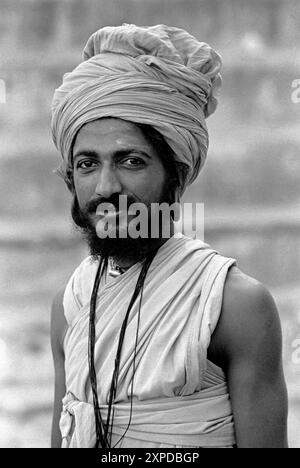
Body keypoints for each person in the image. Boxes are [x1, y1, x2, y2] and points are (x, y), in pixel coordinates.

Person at [50, 24, 288, 448]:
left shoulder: (234, 306)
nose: (106, 187)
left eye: (130, 160)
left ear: (175, 176)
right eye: (87, 164)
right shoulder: (71, 303)